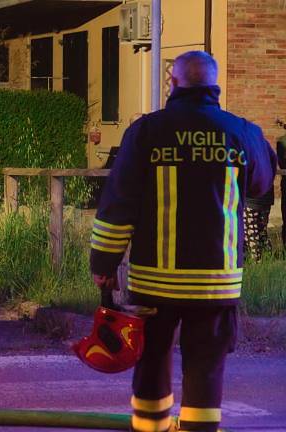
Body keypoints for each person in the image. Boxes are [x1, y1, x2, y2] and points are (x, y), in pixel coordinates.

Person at [89, 51, 276, 432]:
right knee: (206, 365)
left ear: (173, 84)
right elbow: (261, 183)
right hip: (215, 283)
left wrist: (103, 266)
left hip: (155, 282)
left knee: (153, 359)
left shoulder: (146, 132)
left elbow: (118, 204)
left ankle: (151, 427)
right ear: (215, 86)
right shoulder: (242, 132)